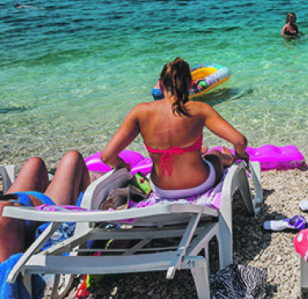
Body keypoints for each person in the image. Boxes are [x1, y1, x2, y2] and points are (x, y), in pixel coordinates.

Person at [101, 58, 249, 199]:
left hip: (161, 189)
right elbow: (240, 141)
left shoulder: (140, 112)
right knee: (215, 155)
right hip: (200, 183)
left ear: (160, 84)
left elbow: (107, 157)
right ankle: (226, 158)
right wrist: (241, 156)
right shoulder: (200, 109)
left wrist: (123, 165)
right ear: (191, 85)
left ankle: (200, 155)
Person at [0, 151, 90, 262]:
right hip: (46, 212)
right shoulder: (1, 214)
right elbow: (12, 267)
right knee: (73, 158)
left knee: (35, 163)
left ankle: (87, 218)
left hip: (18, 198)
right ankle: (87, 224)